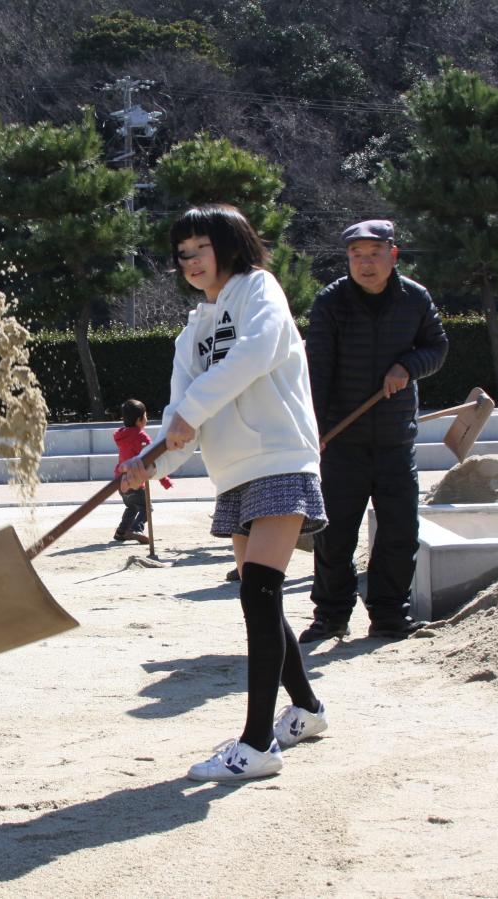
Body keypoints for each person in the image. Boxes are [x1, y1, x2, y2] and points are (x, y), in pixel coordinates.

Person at [121, 204, 328, 783]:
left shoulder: (259, 290)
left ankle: (258, 743)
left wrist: (187, 414)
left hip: (281, 458)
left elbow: (255, 354)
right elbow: (179, 420)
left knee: (259, 593)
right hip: (234, 472)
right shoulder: (192, 332)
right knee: (258, 596)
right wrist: (149, 459)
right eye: (181, 254)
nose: (189, 261)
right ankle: (307, 710)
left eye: (199, 248)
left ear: (230, 244)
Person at [302, 219, 448, 642]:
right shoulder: (331, 301)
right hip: (342, 443)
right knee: (334, 536)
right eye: (356, 256)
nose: (365, 264)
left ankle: (389, 616)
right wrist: (318, 431)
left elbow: (437, 348)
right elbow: (317, 371)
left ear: (393, 255)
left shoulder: (415, 299)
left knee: (400, 531)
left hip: (395, 438)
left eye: (374, 255)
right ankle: (331, 616)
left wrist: (408, 367)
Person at [112, 398, 172, 544]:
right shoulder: (140, 436)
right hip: (135, 481)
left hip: (120, 481)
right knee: (146, 508)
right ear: (139, 420)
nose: (147, 419)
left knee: (131, 507)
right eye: (146, 416)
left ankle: (121, 532)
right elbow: (153, 458)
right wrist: (165, 480)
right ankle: (135, 529)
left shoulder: (122, 436)